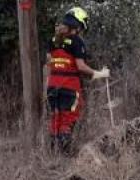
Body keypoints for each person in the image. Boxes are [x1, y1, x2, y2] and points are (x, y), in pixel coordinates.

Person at [45, 7, 110, 152]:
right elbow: (81, 67)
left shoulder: (53, 40)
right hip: (69, 87)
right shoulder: (76, 41)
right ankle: (65, 157)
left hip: (52, 86)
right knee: (67, 121)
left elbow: (49, 63)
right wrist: (100, 74)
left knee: (55, 120)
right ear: (78, 25)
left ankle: (52, 157)